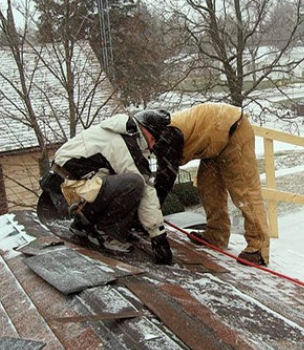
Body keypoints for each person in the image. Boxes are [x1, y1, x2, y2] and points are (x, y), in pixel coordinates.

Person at [39, 109, 173, 264]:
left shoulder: (117, 132)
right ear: (147, 131)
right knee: (134, 183)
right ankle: (105, 233)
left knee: (122, 181)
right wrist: (158, 237)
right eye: (154, 138)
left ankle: (82, 225)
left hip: (64, 192)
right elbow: (144, 189)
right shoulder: (123, 142)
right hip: (68, 196)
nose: (154, 144)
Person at [152, 102, 270, 266]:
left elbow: (166, 177)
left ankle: (259, 247)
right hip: (213, 140)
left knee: (244, 191)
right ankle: (217, 235)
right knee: (208, 189)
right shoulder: (155, 132)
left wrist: (153, 209)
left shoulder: (167, 137)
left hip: (233, 129)